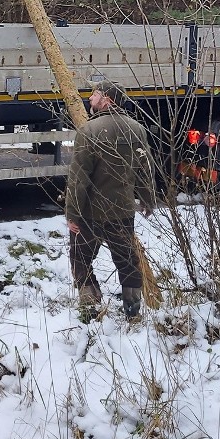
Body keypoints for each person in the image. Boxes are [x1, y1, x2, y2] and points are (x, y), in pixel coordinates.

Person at [64, 80, 156, 320]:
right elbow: (145, 169)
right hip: (122, 210)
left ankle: (90, 306)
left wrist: (72, 214)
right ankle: (133, 311)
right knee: (127, 262)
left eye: (94, 94)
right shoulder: (137, 129)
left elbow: (78, 179)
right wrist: (148, 199)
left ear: (107, 99)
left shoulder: (89, 131)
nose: (90, 98)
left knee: (80, 259)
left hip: (90, 213)